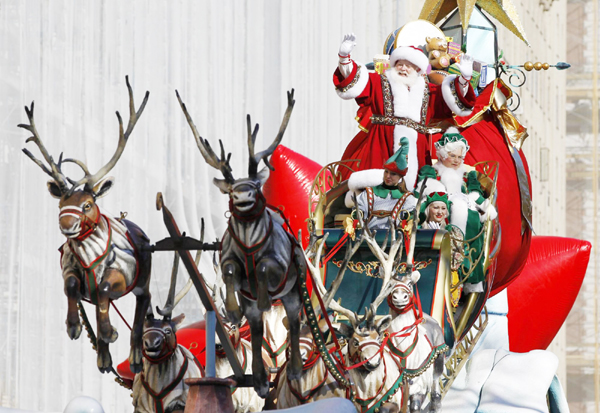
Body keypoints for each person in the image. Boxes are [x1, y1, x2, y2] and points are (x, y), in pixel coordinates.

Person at [334, 33, 477, 190]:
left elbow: (453, 99)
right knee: (376, 188)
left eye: (408, 65)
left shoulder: (428, 91)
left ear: (417, 69)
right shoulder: (379, 82)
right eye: (399, 64)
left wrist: (464, 79)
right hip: (382, 143)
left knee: (415, 191)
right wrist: (344, 57)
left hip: (417, 147)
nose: (403, 68)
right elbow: (354, 78)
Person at [416, 128, 496, 293]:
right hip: (442, 208)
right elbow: (425, 190)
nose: (457, 161)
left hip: (466, 207)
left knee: (474, 219)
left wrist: (480, 202)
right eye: (453, 156)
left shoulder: (468, 175)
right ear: (443, 155)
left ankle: (469, 273)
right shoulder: (432, 172)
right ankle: (446, 261)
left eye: (460, 157)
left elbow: (475, 192)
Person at [345, 137, 416, 233]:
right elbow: (358, 213)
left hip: (395, 243)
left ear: (400, 177)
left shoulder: (407, 199)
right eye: (386, 172)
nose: (388, 176)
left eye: (393, 174)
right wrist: (351, 221)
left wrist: (411, 222)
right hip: (368, 241)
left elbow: (412, 218)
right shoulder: (368, 193)